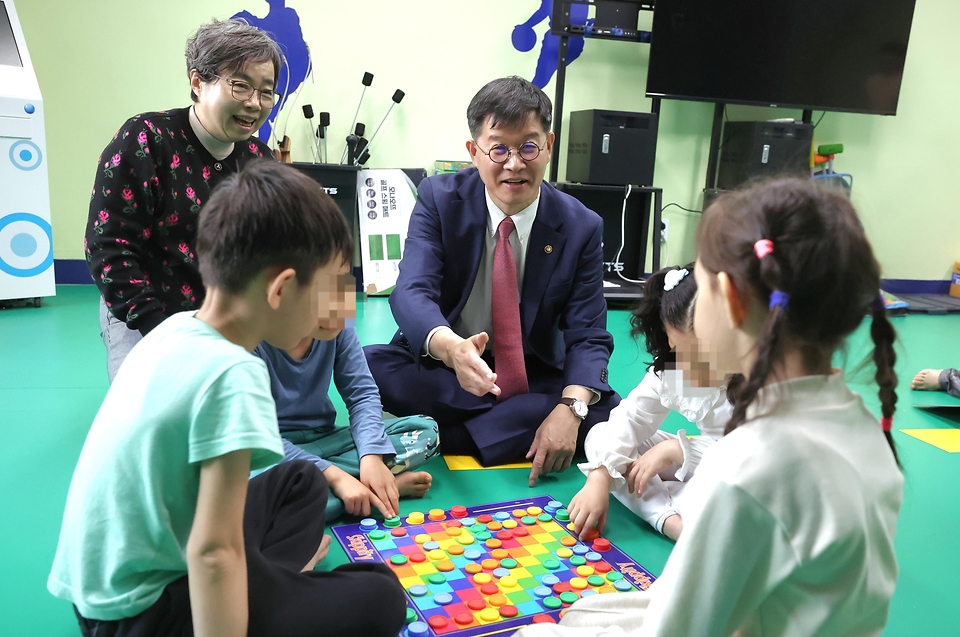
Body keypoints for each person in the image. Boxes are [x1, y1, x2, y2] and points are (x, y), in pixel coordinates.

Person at [515, 178, 904, 637]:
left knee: (536, 633)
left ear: (733, 302)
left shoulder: (750, 466)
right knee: (585, 612)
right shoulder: (860, 422)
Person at [49, 162, 406, 637]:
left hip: (104, 590)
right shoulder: (235, 374)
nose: (342, 305)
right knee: (381, 595)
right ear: (280, 290)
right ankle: (274, 591)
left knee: (298, 480)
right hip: (146, 614)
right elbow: (213, 553)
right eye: (334, 284)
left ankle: (274, 584)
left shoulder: (175, 328)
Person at [364, 76, 620, 485]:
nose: (514, 163)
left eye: (529, 147)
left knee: (601, 406)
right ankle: (510, 430)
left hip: (531, 370)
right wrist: (451, 349)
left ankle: (443, 435)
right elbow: (412, 291)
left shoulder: (581, 226)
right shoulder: (438, 198)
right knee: (369, 365)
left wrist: (570, 409)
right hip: (449, 366)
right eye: (499, 147)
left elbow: (588, 333)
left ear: (549, 146)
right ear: (474, 151)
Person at [85, 18, 280, 382]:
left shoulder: (259, 160)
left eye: (266, 91)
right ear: (197, 82)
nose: (255, 103)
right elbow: (109, 247)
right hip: (142, 309)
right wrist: (163, 334)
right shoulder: (145, 140)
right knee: (152, 415)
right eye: (240, 85)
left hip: (226, 315)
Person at [253, 266, 438, 522]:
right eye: (326, 283)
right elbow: (255, 439)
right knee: (247, 489)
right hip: (269, 449)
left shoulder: (336, 305)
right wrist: (335, 476)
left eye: (343, 276)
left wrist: (371, 455)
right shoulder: (250, 336)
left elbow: (361, 393)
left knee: (426, 431)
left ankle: (350, 489)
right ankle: (373, 492)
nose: (340, 294)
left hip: (327, 439)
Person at [567, 264, 732, 542]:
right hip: (700, 460)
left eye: (700, 352)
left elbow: (756, 455)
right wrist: (601, 476)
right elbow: (631, 418)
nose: (686, 363)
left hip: (738, 472)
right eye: (677, 348)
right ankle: (669, 517)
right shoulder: (678, 369)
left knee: (724, 505)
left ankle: (672, 514)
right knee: (599, 437)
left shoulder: (758, 377)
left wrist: (677, 449)